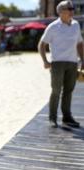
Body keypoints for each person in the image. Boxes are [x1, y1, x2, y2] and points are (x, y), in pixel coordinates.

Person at [38, 0, 84, 128]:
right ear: (60, 12)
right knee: (56, 90)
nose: (72, 10)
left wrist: (83, 59)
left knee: (69, 91)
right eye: (69, 8)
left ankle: (67, 117)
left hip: (73, 63)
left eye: (72, 8)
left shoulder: (76, 25)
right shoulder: (53, 27)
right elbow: (42, 44)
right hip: (57, 63)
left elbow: (80, 43)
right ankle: (52, 118)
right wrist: (45, 61)